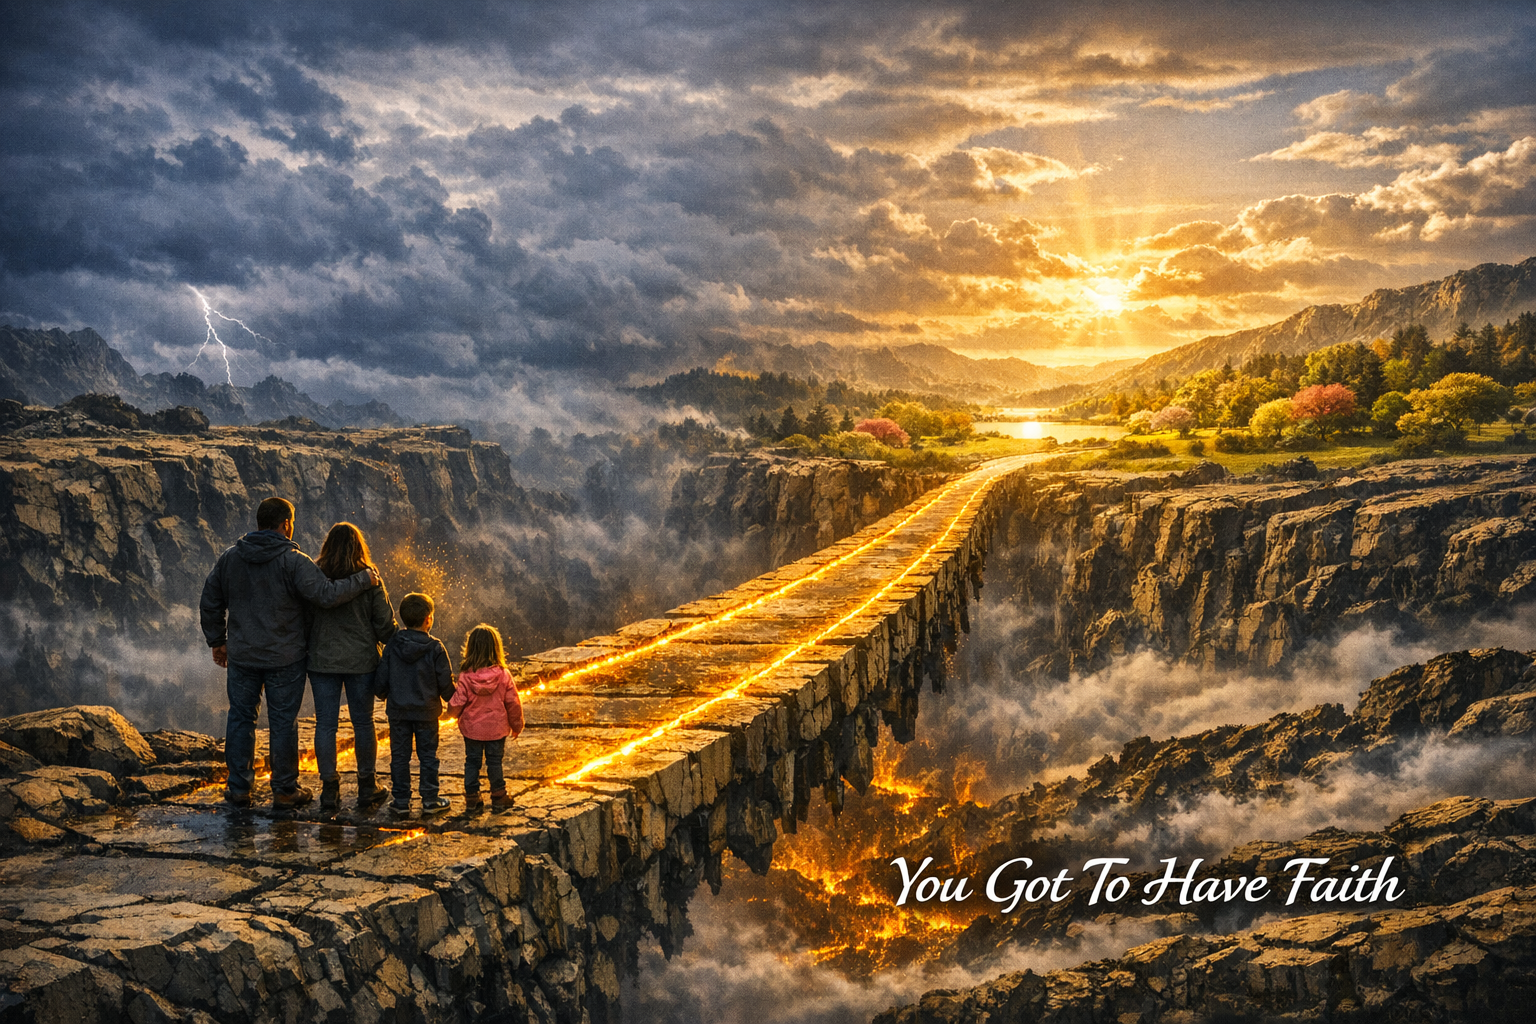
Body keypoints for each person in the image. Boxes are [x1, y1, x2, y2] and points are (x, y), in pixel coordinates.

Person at [200, 496, 380, 810]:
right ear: (286, 524)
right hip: (285, 658)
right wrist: (363, 579)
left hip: (242, 657)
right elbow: (326, 595)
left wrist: (218, 640)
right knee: (283, 723)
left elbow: (210, 600)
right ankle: (284, 790)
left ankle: (240, 788)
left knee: (241, 718)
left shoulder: (230, 558)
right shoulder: (293, 561)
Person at [307, 522, 396, 812]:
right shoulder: (370, 579)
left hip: (322, 662)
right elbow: (384, 626)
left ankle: (329, 789)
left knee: (326, 725)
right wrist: (408, 646)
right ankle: (366, 785)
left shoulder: (313, 576)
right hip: (361, 663)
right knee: (363, 723)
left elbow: (303, 619)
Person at [374, 592, 454, 814]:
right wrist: (453, 700)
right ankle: (430, 799)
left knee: (400, 756)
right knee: (428, 755)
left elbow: (382, 676)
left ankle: (401, 801)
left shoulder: (392, 645)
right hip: (427, 712)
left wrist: (382, 693)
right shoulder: (436, 648)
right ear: (428, 618)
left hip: (398, 711)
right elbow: (445, 681)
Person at [446, 624, 524, 813]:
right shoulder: (504, 675)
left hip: (472, 730)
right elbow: (513, 703)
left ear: (470, 648)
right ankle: (498, 796)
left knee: (472, 762)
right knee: (494, 762)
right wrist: (517, 725)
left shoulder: (466, 676)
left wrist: (451, 713)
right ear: (496, 648)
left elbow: (457, 702)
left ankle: (472, 798)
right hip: (496, 730)